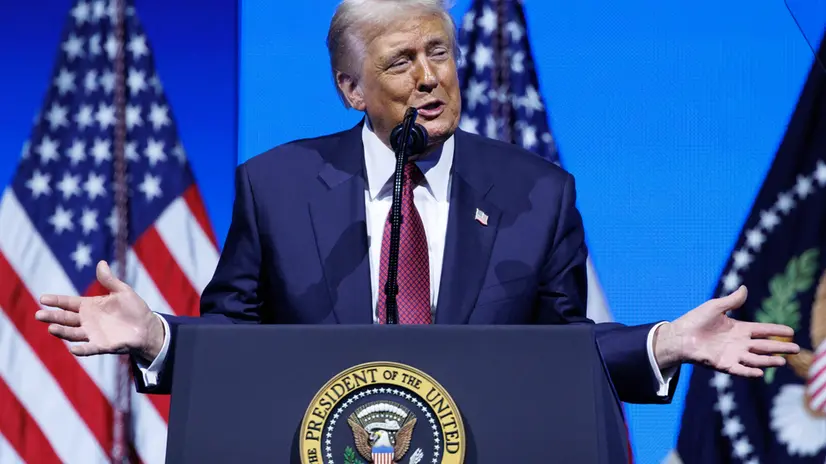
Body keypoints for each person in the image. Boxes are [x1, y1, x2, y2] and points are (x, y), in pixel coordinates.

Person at [36, 0, 798, 404]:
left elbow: (565, 349)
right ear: (352, 89)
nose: (431, 76)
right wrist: (158, 339)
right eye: (402, 61)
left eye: (440, 52)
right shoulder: (275, 186)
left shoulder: (537, 192)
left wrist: (667, 340)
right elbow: (241, 341)